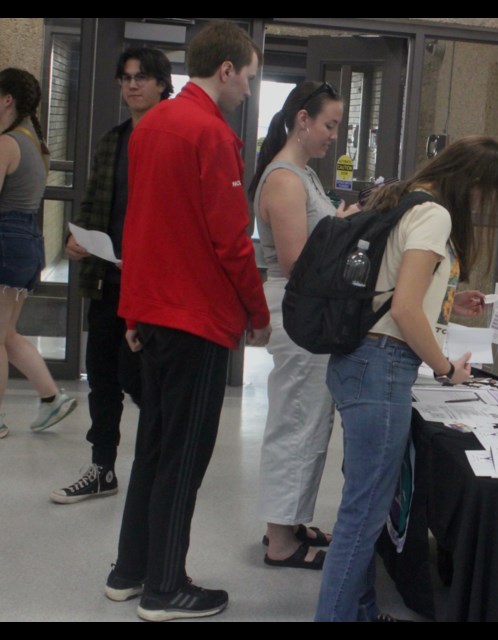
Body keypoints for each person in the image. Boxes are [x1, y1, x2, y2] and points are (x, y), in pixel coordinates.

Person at [105, 22, 270, 622]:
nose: (249, 90)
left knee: (153, 445)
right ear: (226, 70)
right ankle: (165, 586)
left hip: (155, 313)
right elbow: (231, 242)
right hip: (196, 320)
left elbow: (137, 227)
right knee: (184, 456)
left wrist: (132, 309)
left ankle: (131, 569)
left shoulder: (151, 129)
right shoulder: (211, 135)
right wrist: (257, 312)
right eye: (249, 77)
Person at [314, 136, 498, 622]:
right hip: (381, 367)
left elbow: (394, 285)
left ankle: (359, 610)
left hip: (356, 360)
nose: (484, 207)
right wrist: (445, 369)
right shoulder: (435, 213)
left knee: (363, 507)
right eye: (486, 195)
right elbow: (403, 308)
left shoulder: (400, 194)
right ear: (473, 183)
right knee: (362, 519)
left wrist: (449, 304)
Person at [50, 47, 172, 504]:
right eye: (125, 78)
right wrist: (76, 240)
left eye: (141, 77)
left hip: (155, 288)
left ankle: (161, 464)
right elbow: (93, 203)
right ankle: (103, 467)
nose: (131, 85)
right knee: (101, 374)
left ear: (162, 83)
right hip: (109, 280)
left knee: (141, 379)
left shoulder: (173, 138)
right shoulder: (112, 140)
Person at [251, 80, 357, 570]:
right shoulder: (285, 179)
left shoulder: (303, 174)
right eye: (329, 125)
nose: (333, 135)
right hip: (296, 311)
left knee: (311, 420)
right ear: (302, 120)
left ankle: (290, 520)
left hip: (307, 311)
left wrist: (338, 224)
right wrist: (341, 232)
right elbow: (296, 261)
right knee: (296, 421)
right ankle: (280, 541)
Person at [0, 68, 76, 440]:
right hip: (26, 242)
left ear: (7, 99)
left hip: (6, 241)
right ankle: (51, 397)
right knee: (6, 334)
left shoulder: (8, 142)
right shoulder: (34, 142)